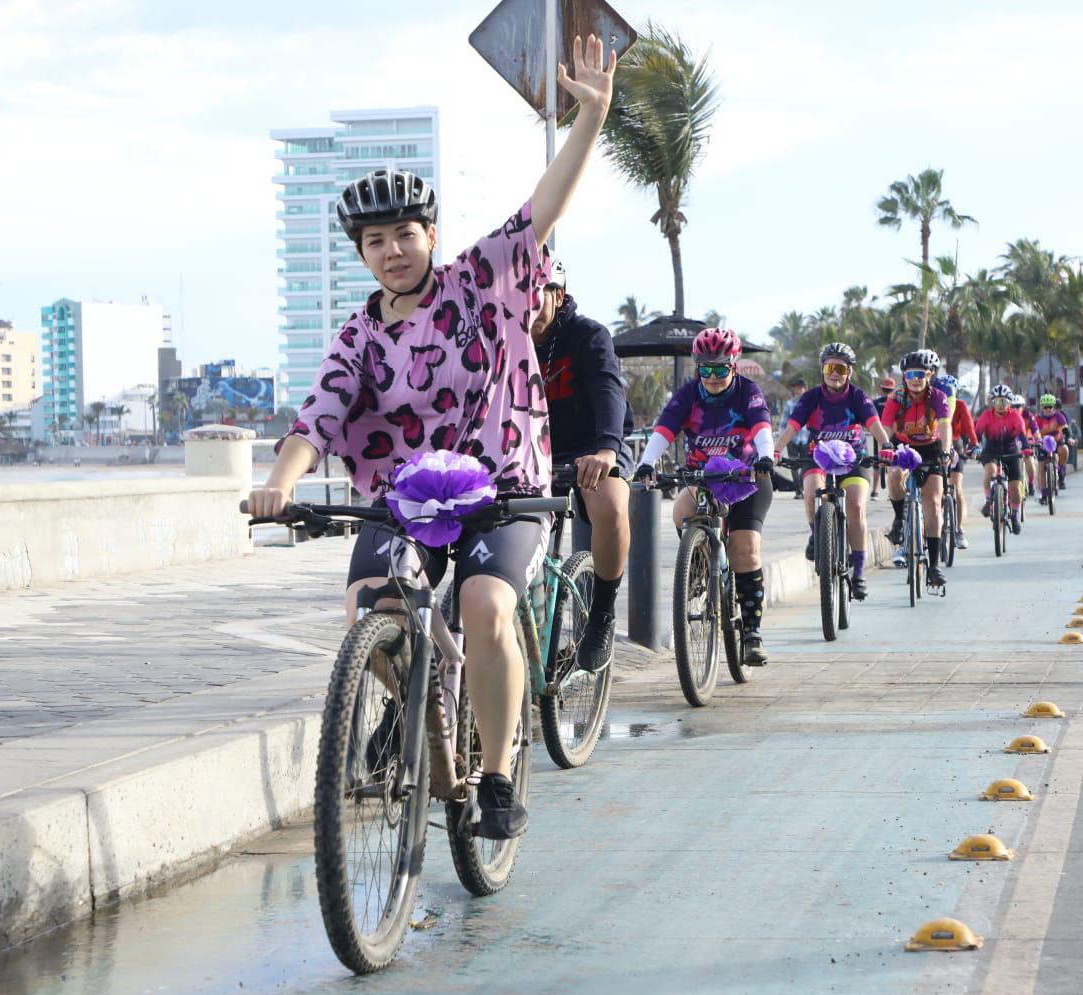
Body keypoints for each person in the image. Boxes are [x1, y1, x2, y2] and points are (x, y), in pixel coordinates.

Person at [250, 34, 616, 841]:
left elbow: (543, 208)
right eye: (375, 243)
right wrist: (281, 481)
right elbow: (320, 414)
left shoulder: (481, 281)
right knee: (368, 617)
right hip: (402, 502)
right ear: (361, 253)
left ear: (429, 235)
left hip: (505, 489)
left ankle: (492, 777)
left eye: (405, 235)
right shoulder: (358, 335)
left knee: (485, 607)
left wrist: (591, 117)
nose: (392, 253)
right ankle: (433, 707)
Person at [633, 329, 776, 664]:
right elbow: (665, 427)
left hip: (748, 476)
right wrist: (646, 462)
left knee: (746, 548)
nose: (712, 377)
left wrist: (766, 456)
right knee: (681, 512)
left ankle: (752, 633)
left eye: (720, 369)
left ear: (733, 367)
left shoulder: (747, 391)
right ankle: (697, 565)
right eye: (705, 370)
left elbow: (761, 425)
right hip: (705, 475)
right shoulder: (688, 394)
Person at [531, 258, 634, 671]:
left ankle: (603, 613)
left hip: (594, 445)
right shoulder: (506, 339)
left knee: (607, 503)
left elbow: (608, 388)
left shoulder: (587, 334)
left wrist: (607, 450)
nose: (524, 306)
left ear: (556, 294)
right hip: (535, 452)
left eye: (534, 294)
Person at [773, 343, 893, 600]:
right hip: (818, 457)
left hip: (854, 460)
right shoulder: (810, 398)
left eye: (840, 368)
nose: (834, 373)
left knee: (857, 507)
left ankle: (859, 573)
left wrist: (886, 444)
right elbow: (792, 427)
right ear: (823, 370)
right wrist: (776, 449)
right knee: (810, 492)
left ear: (849, 372)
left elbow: (874, 424)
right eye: (830, 367)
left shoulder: (858, 397)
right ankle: (817, 536)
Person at [882, 350, 952, 586]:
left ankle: (933, 565)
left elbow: (945, 426)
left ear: (929, 375)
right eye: (911, 374)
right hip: (902, 445)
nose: (916, 379)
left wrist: (946, 450)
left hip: (931, 448)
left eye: (920, 374)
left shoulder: (939, 397)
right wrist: (883, 450)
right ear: (904, 376)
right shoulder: (895, 398)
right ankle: (899, 519)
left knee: (932, 503)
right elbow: (886, 429)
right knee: (894, 475)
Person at [975, 384, 1031, 535]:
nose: (1001, 406)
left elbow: (1021, 435)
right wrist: (974, 446)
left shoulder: (1015, 416)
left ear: (1010, 403)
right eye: (997, 402)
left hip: (1012, 451)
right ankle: (988, 501)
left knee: (1015, 488)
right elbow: (978, 433)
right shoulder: (986, 415)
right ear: (992, 403)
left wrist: (1026, 448)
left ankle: (1014, 515)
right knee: (991, 470)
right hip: (991, 450)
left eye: (1004, 402)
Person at [932, 372, 978, 550]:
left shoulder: (960, 405)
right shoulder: (931, 403)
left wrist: (975, 445)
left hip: (955, 446)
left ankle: (958, 530)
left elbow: (969, 427)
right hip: (935, 445)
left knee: (956, 487)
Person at [1030, 393, 1071, 500]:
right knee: (1041, 466)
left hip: (1057, 442)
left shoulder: (1059, 416)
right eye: (1045, 407)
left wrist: (1068, 437)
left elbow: (1065, 427)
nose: (1048, 409)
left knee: (1065, 449)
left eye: (1050, 407)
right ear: (1042, 407)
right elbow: (1033, 430)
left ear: (1054, 407)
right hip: (1042, 444)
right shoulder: (1037, 418)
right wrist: (1032, 440)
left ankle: (1061, 472)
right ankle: (1043, 493)